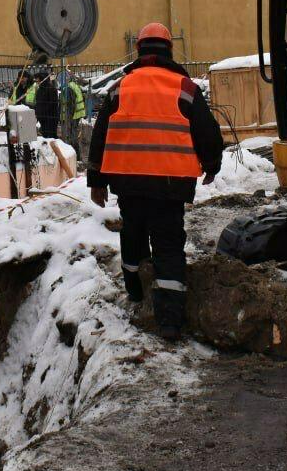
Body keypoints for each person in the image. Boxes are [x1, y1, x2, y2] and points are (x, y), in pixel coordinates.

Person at [86, 22, 223, 340]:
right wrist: (212, 165)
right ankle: (170, 321)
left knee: (132, 236)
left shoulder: (120, 89)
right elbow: (207, 132)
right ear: (169, 50)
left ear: (138, 50)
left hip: (129, 184)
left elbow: (100, 136)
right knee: (168, 247)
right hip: (170, 186)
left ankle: (135, 293)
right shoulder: (185, 88)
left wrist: (96, 180)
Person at [25, 65, 60, 138]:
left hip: (50, 120)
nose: (36, 81)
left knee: (51, 138)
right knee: (45, 137)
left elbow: (52, 105)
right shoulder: (39, 89)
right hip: (43, 119)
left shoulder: (51, 89)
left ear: (42, 79)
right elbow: (39, 103)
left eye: (38, 79)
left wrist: (40, 113)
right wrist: (37, 113)